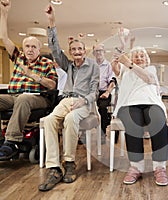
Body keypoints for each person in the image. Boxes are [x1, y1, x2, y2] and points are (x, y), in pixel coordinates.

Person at [38, 4, 99, 191]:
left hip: (83, 102)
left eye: (80, 49)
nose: (77, 52)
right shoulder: (69, 65)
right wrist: (52, 21)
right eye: (74, 50)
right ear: (71, 52)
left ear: (85, 50)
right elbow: (55, 48)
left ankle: (70, 162)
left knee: (72, 118)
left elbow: (95, 90)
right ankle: (54, 167)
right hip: (65, 100)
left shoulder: (93, 66)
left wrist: (84, 100)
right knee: (48, 120)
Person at [0, 0, 57, 160]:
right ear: (23, 49)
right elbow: (4, 37)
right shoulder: (18, 58)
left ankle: (11, 142)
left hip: (38, 98)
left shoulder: (46, 63)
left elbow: (52, 84)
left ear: (39, 49)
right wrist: (4, 14)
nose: (30, 49)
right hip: (13, 96)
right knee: (17, 99)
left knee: (24, 98)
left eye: (34, 47)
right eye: (27, 46)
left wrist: (33, 76)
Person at [111, 46, 168, 186]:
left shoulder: (150, 69)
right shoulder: (124, 70)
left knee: (159, 122)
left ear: (147, 60)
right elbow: (115, 64)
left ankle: (159, 167)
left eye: (142, 56)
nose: (139, 58)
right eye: (135, 56)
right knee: (133, 124)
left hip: (151, 103)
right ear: (130, 58)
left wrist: (130, 64)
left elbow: (149, 79)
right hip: (129, 104)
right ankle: (136, 166)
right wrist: (121, 51)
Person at [92, 43, 115, 142]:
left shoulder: (109, 65)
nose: (98, 53)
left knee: (102, 107)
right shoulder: (90, 65)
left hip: (104, 91)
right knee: (83, 107)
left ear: (104, 52)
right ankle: (83, 133)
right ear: (93, 53)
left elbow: (112, 81)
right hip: (92, 92)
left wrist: (107, 92)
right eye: (96, 51)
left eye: (100, 50)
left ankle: (102, 132)